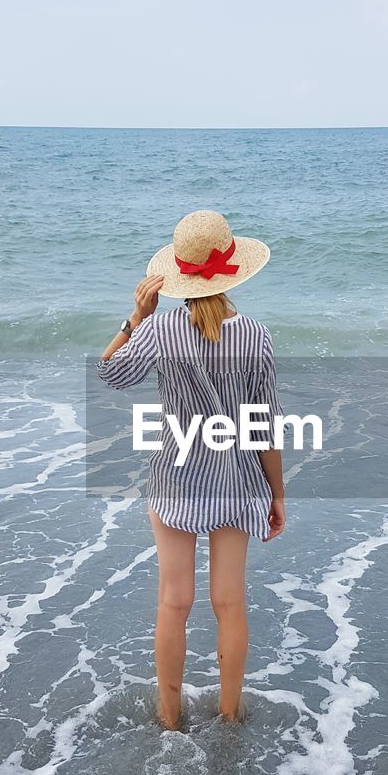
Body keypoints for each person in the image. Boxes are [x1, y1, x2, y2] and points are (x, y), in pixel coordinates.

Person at [96, 209, 285, 730]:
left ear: (176, 276)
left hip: (175, 480)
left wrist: (135, 318)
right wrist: (277, 493)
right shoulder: (256, 336)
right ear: (231, 272)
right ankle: (229, 718)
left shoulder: (159, 330)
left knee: (173, 603)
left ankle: (169, 719)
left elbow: (109, 373)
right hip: (236, 482)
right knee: (230, 603)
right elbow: (264, 424)